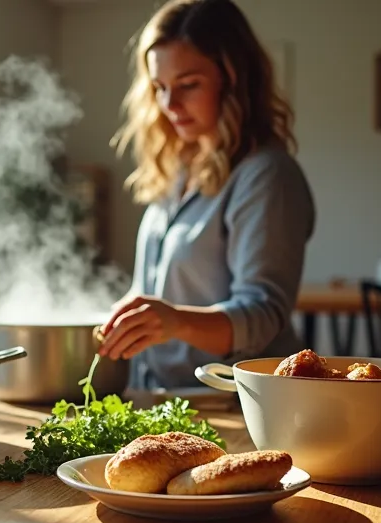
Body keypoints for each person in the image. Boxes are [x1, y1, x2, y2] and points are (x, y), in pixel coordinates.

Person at [97, 0, 315, 391]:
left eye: (188, 84)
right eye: (160, 88)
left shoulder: (267, 175)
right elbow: (155, 293)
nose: (169, 104)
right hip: (162, 394)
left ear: (234, 79)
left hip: (234, 401)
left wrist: (176, 321)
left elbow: (263, 315)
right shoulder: (176, 169)